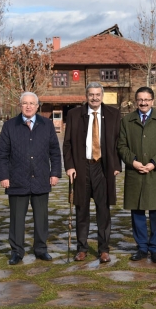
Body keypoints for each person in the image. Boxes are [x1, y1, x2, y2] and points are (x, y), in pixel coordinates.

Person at [0, 92, 61, 265]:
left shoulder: (47, 125)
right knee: (17, 219)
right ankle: (17, 251)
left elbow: (55, 151)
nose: (29, 106)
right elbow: (2, 154)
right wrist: (3, 176)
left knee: (41, 218)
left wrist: (55, 173)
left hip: (41, 179)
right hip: (16, 180)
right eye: (25, 103)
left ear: (37, 106)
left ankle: (41, 249)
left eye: (32, 103)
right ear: (20, 105)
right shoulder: (10, 126)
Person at [63, 82, 121, 263]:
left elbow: (119, 142)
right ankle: (82, 248)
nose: (94, 98)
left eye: (97, 94)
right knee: (81, 209)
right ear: (86, 96)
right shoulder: (74, 115)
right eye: (91, 94)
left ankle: (104, 249)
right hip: (81, 167)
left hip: (103, 167)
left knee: (103, 210)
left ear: (102, 96)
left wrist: (117, 165)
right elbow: (67, 144)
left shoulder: (113, 114)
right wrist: (69, 166)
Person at [117, 86, 156, 263]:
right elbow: (121, 146)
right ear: (136, 101)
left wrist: (153, 163)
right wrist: (132, 161)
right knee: (137, 213)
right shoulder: (127, 121)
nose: (143, 102)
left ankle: (155, 249)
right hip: (135, 172)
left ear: (152, 101)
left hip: (155, 173)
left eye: (147, 99)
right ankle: (141, 247)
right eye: (140, 99)